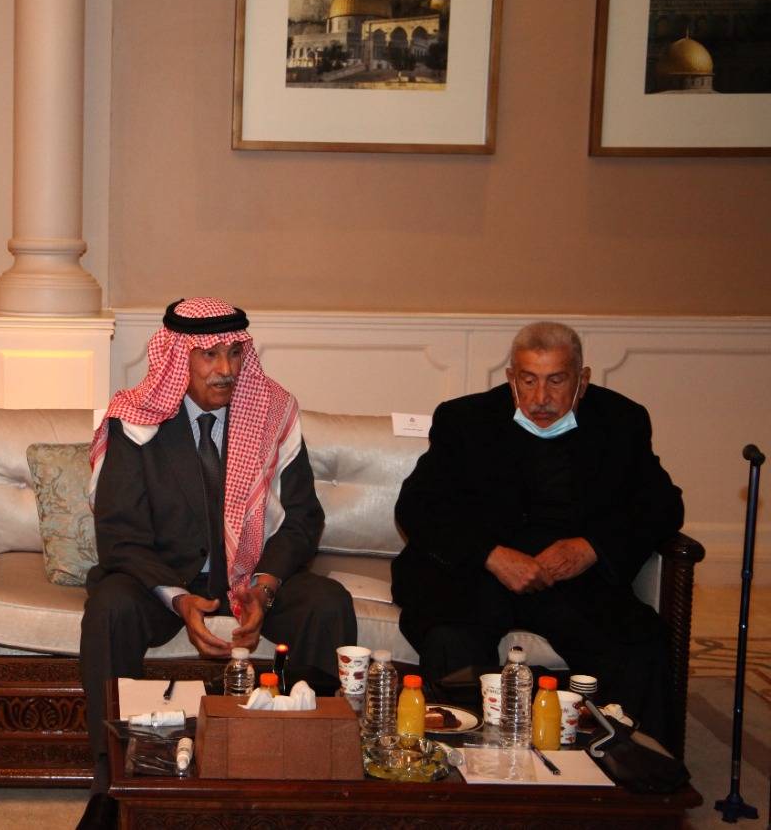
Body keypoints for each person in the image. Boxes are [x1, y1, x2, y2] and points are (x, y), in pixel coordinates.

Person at [78, 298, 356, 828]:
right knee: (110, 607)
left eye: (234, 352)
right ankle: (111, 779)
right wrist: (179, 599)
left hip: (252, 577)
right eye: (209, 354)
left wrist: (265, 588)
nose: (225, 369)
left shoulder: (272, 411)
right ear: (177, 357)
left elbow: (303, 518)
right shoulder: (134, 421)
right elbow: (119, 536)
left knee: (327, 602)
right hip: (165, 581)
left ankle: (310, 774)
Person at [392, 321, 683, 738]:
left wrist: (591, 547)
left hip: (574, 582)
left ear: (582, 380)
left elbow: (662, 505)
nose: (540, 398)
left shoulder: (621, 421)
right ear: (511, 377)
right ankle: (460, 759)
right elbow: (418, 505)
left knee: (638, 645)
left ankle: (634, 765)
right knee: (450, 638)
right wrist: (491, 554)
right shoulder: (465, 419)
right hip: (480, 576)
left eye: (556, 380)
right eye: (528, 381)